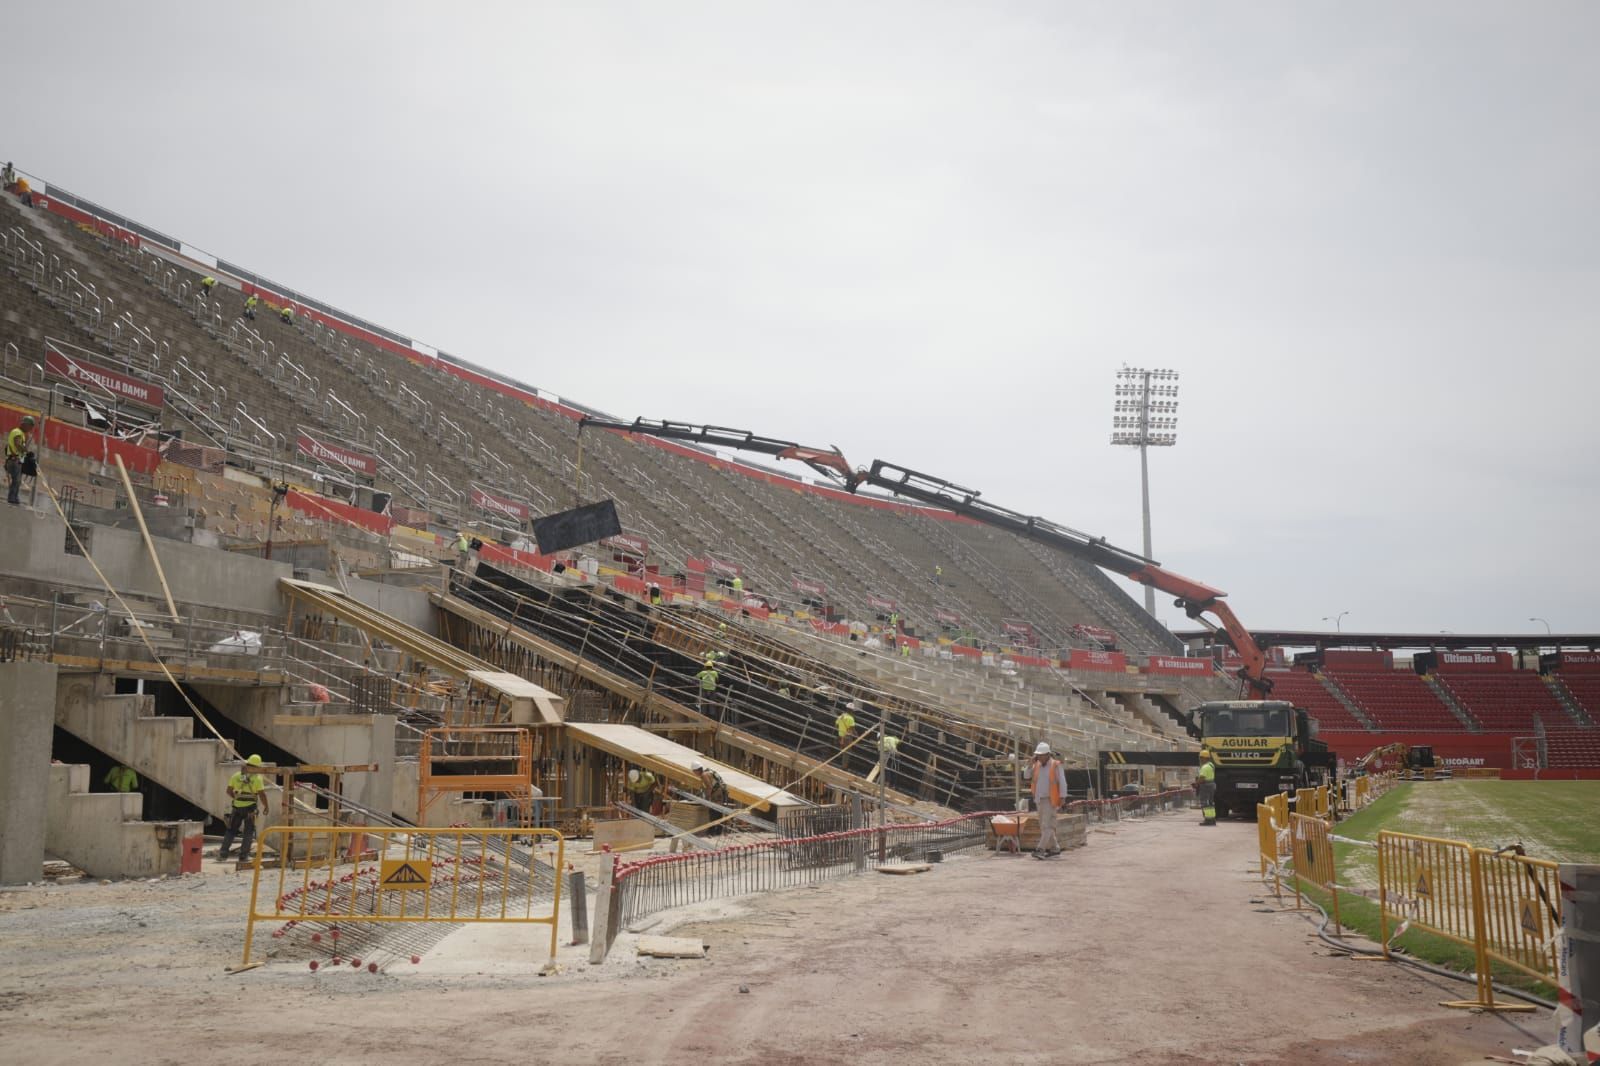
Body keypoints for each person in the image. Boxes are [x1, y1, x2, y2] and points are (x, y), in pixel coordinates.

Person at [218, 754, 271, 861]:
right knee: (248, 832)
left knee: (231, 831)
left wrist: (237, 798)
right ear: (256, 767)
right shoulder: (257, 778)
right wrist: (266, 806)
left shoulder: (236, 776)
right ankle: (243, 856)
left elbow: (229, 791)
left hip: (237, 808)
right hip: (250, 810)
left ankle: (223, 854)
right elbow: (262, 794)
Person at [1028, 741, 1067, 859]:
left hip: (1051, 799)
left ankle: (1040, 849)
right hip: (1039, 799)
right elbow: (1026, 776)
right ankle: (1055, 848)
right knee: (1043, 825)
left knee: (1048, 825)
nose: (1039, 757)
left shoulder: (1056, 765)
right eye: (1038, 755)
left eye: (1041, 755)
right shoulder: (1037, 765)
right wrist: (1030, 764)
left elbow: (1063, 782)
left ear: (1047, 754)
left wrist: (1063, 797)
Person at [6, 415, 34, 505]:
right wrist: (26, 451)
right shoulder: (17, 432)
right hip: (14, 460)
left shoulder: (20, 433)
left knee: (17, 481)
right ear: (25, 424)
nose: (30, 429)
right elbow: (17, 444)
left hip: (15, 460)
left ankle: (14, 497)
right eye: (30, 427)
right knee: (16, 481)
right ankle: (12, 498)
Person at [1196, 749, 1218, 826]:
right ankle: (1212, 819)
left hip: (1206, 786)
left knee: (1205, 803)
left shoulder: (1205, 767)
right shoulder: (1211, 765)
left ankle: (1208, 820)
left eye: (1201, 757)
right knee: (1210, 803)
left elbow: (1202, 778)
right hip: (1211, 784)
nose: (1200, 759)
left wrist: (1196, 783)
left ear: (1205, 758)